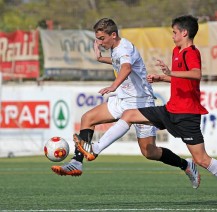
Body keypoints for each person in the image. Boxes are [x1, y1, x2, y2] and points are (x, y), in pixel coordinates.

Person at [75, 15, 217, 208]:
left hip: (187, 114)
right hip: (170, 109)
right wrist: (163, 78)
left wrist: (169, 74)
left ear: (184, 33)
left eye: (174, 32)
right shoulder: (177, 51)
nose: (172, 36)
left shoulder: (191, 52)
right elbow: (181, 79)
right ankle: (94, 149)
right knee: (129, 115)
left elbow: (196, 75)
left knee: (202, 159)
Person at [51, 18, 200, 189]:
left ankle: (186, 165)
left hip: (140, 102)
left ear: (113, 35)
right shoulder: (115, 49)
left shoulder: (125, 47)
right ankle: (77, 162)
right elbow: (118, 62)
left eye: (101, 38)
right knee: (87, 118)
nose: (99, 42)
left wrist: (114, 85)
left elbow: (126, 67)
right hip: (122, 99)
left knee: (149, 152)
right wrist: (100, 58)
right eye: (97, 38)